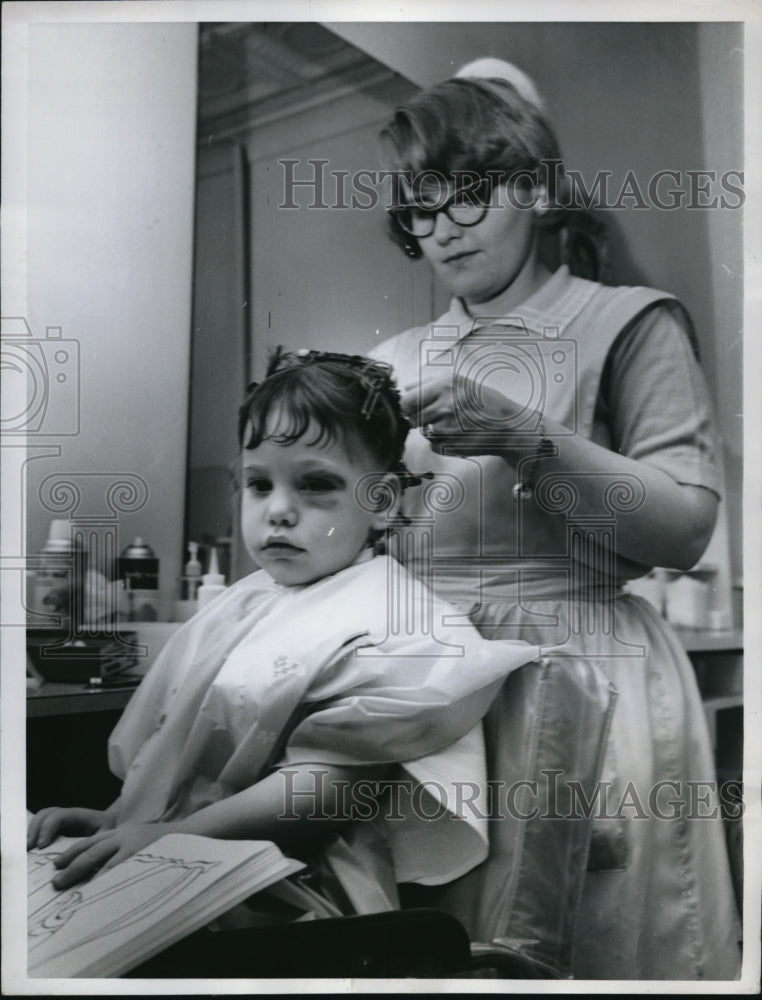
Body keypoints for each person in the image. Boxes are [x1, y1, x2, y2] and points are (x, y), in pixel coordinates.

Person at [370, 70, 741, 979]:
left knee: (593, 937)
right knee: (445, 939)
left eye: (468, 194)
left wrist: (525, 438)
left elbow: (685, 527)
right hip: (435, 694)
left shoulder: (627, 324)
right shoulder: (386, 361)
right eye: (420, 208)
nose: (444, 227)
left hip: (586, 677)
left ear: (535, 188)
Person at [26, 349, 540, 918]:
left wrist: (179, 836)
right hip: (183, 860)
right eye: (259, 484)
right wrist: (121, 820)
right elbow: (180, 745)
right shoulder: (246, 604)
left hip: (293, 887)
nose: (279, 510)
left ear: (383, 503)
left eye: (316, 485)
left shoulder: (399, 620)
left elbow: (330, 785)